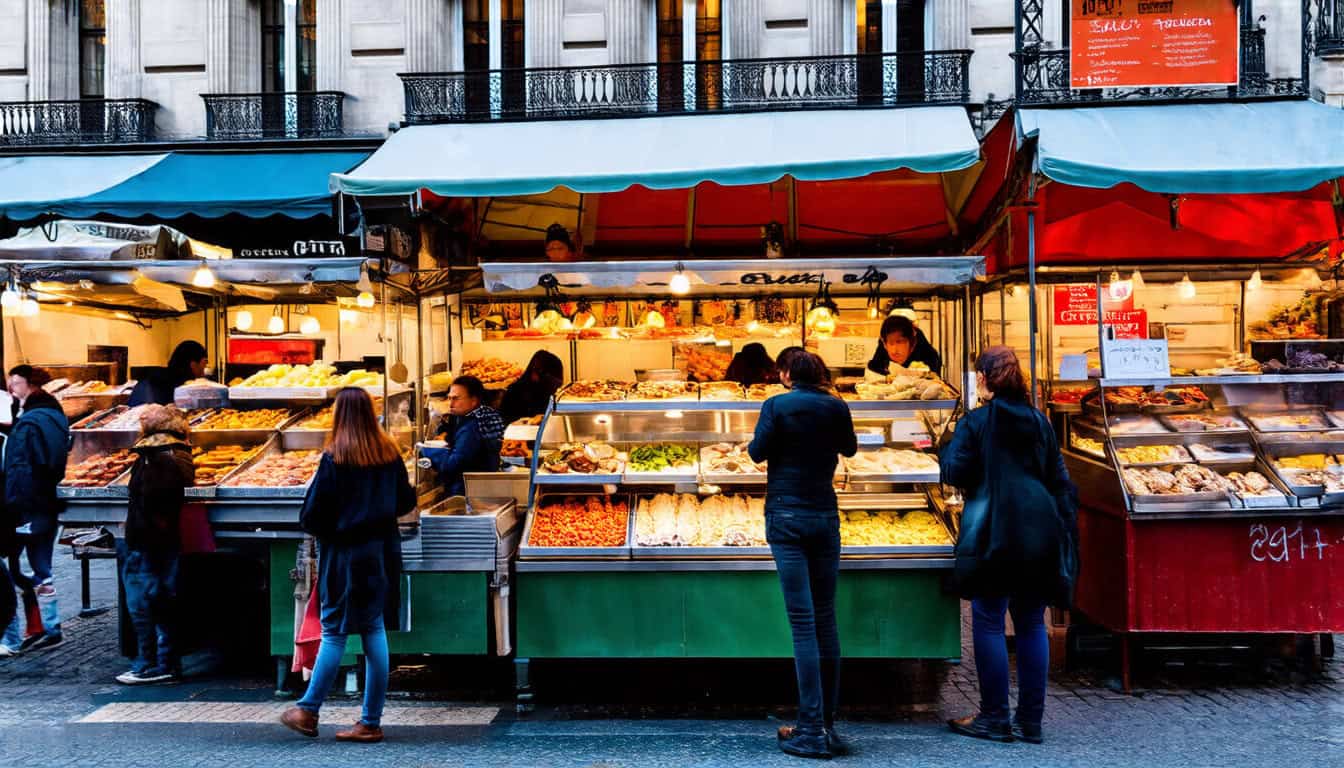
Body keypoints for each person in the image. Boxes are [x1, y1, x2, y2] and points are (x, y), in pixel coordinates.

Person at [939, 346, 1079, 745]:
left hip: (993, 526)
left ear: (982, 378)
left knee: (987, 619)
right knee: (1032, 621)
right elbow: (1058, 475)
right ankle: (1030, 722)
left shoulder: (976, 422)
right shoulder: (1039, 421)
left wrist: (944, 446)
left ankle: (994, 717)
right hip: (1039, 526)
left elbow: (956, 472)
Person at [281, 388, 415, 743]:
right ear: (371, 414)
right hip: (382, 552)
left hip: (345, 555)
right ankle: (370, 721)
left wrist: (336, 526)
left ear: (340, 416)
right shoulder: (389, 453)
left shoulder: (334, 458)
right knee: (373, 629)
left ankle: (308, 710)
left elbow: (311, 516)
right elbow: (406, 501)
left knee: (335, 630)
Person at [747, 348, 857, 759]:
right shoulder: (836, 405)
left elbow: (757, 452)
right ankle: (826, 724)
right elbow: (850, 450)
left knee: (803, 623)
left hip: (786, 518)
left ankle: (810, 729)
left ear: (787, 373)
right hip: (825, 517)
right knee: (826, 620)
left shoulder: (776, 404)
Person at [116, 405, 194, 685]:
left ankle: (153, 664)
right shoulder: (178, 452)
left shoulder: (156, 457)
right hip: (163, 540)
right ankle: (161, 663)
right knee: (161, 601)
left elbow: (153, 501)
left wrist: (142, 534)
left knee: (145, 604)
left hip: (149, 542)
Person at [1, 365, 70, 653]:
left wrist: (15, 504)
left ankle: (33, 628)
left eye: (15, 383)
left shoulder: (29, 422)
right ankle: (49, 626)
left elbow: (19, 468)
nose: (11, 389)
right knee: (42, 566)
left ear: (28, 384)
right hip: (48, 502)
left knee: (25, 569)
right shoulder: (55, 415)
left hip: (29, 505)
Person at [421, 376, 505, 497]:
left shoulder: (471, 428)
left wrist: (426, 452)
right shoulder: (475, 416)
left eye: (456, 398)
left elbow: (453, 464)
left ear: (474, 401)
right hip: (481, 489)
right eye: (449, 398)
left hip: (468, 493)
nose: (450, 403)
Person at [128, 341, 209, 406]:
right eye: (204, 364)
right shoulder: (173, 387)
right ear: (193, 365)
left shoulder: (163, 378)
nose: (204, 371)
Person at [498, 350, 564, 425]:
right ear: (534, 374)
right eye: (553, 382)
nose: (556, 386)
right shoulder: (515, 394)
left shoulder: (547, 392)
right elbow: (506, 425)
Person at [867, 315, 942, 377]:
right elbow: (874, 365)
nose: (894, 350)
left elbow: (934, 364)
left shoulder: (920, 344)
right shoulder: (884, 341)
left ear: (912, 343)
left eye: (900, 342)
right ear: (884, 343)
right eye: (891, 343)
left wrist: (930, 374)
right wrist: (888, 376)